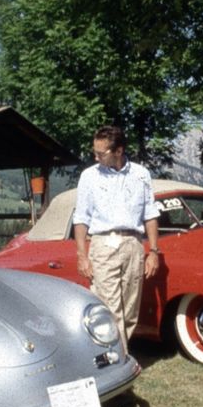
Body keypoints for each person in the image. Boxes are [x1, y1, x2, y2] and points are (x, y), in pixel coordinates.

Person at [73, 125, 161, 341]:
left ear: (119, 151)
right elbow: (81, 218)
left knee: (130, 310)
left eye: (101, 153)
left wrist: (153, 252)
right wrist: (82, 256)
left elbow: (150, 214)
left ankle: (118, 350)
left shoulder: (141, 175)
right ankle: (117, 355)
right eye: (94, 152)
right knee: (110, 307)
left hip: (133, 244)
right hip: (104, 244)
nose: (96, 157)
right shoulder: (89, 176)